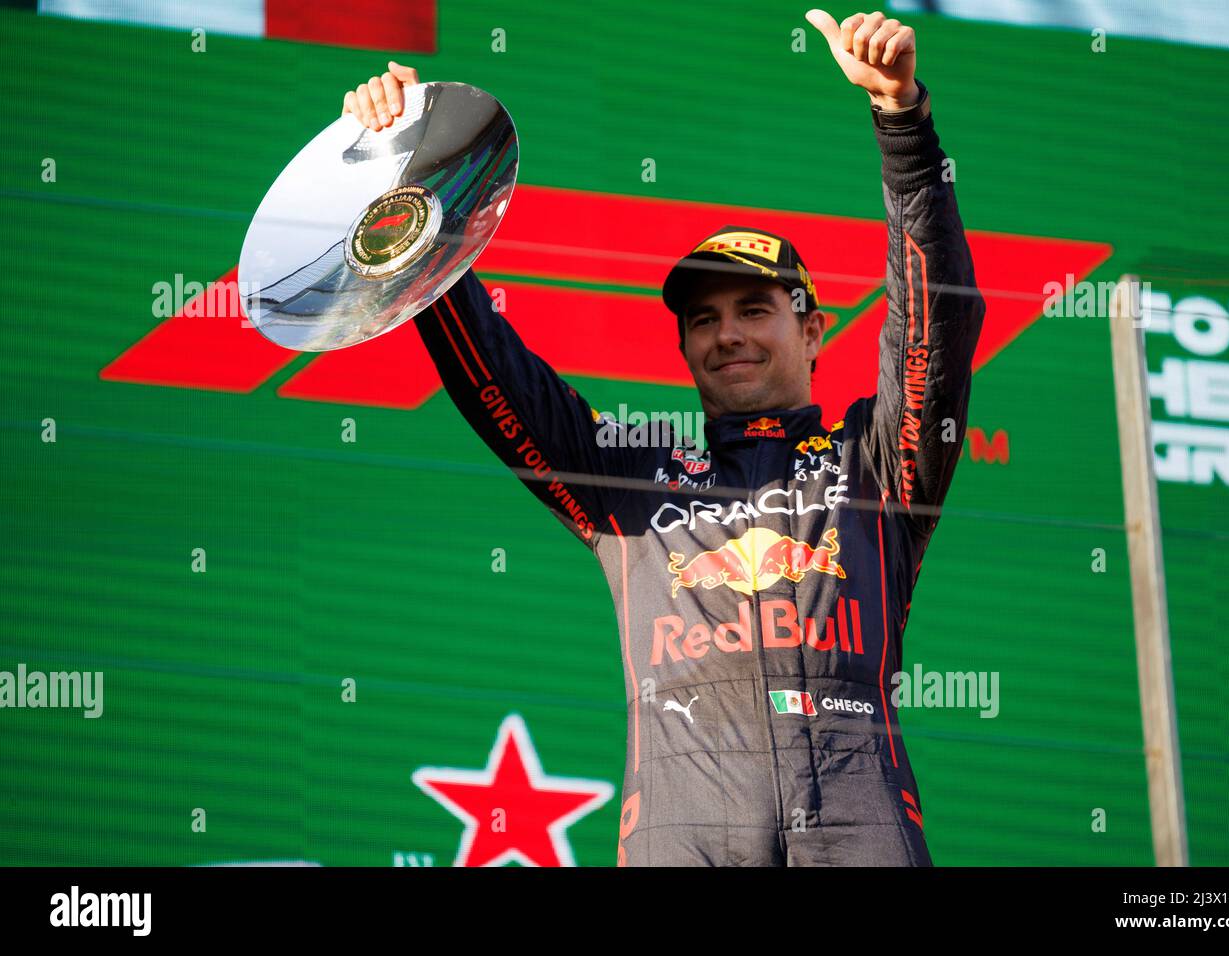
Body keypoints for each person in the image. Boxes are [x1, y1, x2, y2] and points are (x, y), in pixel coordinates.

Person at [344, 9, 984, 866]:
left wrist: (902, 121)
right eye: (705, 321)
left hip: (861, 825)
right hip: (680, 836)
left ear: (814, 330)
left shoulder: (874, 462)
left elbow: (932, 324)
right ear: (682, 349)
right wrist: (401, 181)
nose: (730, 335)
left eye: (756, 309)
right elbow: (494, 374)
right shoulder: (628, 479)